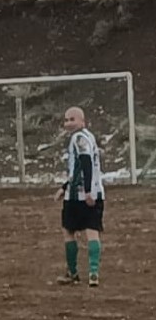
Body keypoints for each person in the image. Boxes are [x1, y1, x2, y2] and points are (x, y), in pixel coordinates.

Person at [55, 107, 104, 287]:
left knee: (68, 231)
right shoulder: (90, 137)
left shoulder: (78, 138)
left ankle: (73, 272)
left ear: (83, 121)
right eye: (66, 120)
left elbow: (85, 163)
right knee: (92, 231)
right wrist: (64, 186)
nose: (68, 123)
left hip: (78, 196)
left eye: (72, 119)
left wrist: (87, 191)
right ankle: (93, 273)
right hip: (97, 192)